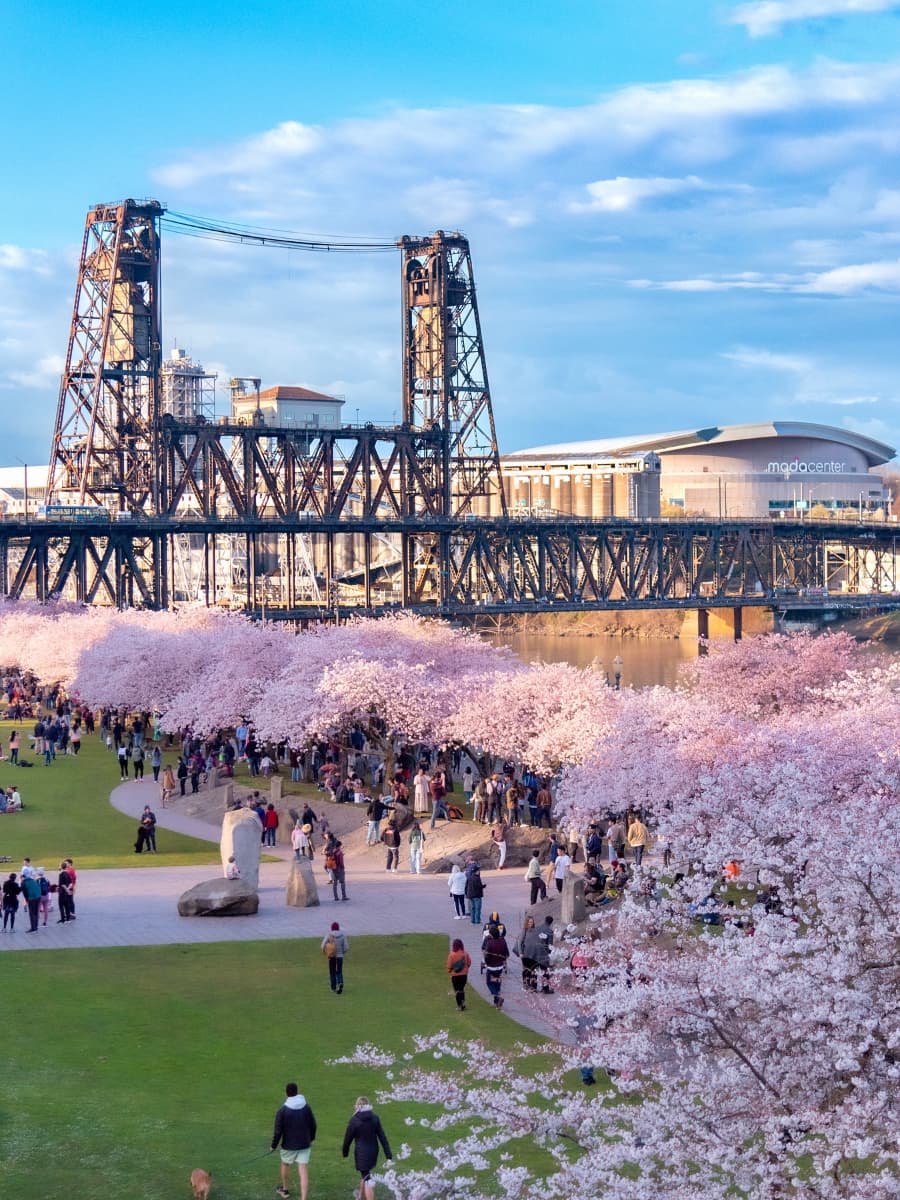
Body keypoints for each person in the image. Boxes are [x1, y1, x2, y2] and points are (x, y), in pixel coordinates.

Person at [271, 1081, 317, 1200]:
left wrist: (273, 1146)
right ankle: (304, 1198)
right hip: (304, 1143)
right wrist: (311, 1138)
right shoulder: (306, 1107)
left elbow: (278, 1131)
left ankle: (285, 1190)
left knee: (285, 1164)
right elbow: (313, 1124)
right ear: (297, 1091)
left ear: (286, 1093)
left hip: (288, 1145)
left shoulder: (283, 1110)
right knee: (303, 1170)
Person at [342, 1096, 392, 1200]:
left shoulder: (354, 1120)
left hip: (361, 1153)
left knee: (367, 1178)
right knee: (365, 1174)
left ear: (357, 1106)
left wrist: (345, 1152)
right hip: (373, 1151)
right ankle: (360, 1196)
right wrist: (388, 1154)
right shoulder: (375, 1118)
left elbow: (347, 1139)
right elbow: (382, 1136)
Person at [482, 921, 510, 1009]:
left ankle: (497, 996)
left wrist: (487, 963)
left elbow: (486, 956)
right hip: (500, 966)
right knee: (497, 982)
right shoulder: (503, 941)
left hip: (491, 967)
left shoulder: (490, 943)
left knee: (489, 982)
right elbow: (506, 953)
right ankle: (497, 1002)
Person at [516, 915, 543, 991]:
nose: (530, 923)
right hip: (526, 955)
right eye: (529, 922)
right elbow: (519, 942)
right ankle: (526, 984)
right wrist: (521, 953)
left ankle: (534, 986)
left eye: (532, 922)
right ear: (526, 923)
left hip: (535, 955)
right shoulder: (524, 930)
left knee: (534, 971)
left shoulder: (536, 930)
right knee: (527, 971)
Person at [321, 920, 349, 993]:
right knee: (339, 971)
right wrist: (341, 953)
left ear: (332, 928)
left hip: (332, 957)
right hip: (340, 957)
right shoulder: (343, 936)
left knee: (332, 972)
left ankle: (333, 988)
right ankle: (340, 983)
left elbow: (322, 946)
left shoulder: (329, 935)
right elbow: (346, 948)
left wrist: (326, 952)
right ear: (338, 928)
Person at [446, 937, 471, 1010]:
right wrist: (465, 969)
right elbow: (469, 963)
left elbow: (449, 966)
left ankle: (459, 1005)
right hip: (464, 975)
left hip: (455, 976)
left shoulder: (452, 955)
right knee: (461, 989)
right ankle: (462, 1003)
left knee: (457, 990)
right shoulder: (465, 954)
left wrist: (450, 971)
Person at [464, 862, 485, 926]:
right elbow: (479, 886)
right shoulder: (477, 878)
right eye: (478, 870)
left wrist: (466, 894)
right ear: (476, 871)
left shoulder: (469, 877)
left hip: (470, 895)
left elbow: (466, 886)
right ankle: (477, 921)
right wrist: (483, 886)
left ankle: (472, 921)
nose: (479, 872)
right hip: (477, 895)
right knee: (477, 908)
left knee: (472, 909)